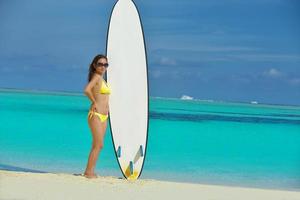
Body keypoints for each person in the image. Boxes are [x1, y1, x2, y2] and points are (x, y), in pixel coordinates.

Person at [83, 54, 111, 178]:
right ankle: (88, 172)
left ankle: (90, 171)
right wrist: (94, 102)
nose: (103, 66)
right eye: (100, 64)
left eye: (105, 64)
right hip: (96, 115)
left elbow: (104, 98)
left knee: (98, 145)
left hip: (104, 116)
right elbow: (86, 90)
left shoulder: (102, 79)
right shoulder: (96, 77)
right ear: (95, 65)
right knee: (98, 144)